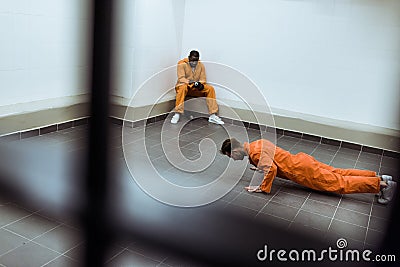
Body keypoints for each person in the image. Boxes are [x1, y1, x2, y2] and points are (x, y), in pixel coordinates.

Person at [220, 138, 397, 205]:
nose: (233, 159)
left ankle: (382, 185)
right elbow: (270, 158)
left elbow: (271, 168)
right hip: (303, 160)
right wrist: (260, 167)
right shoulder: (256, 144)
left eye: (230, 157)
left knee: (339, 184)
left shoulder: (256, 154)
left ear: (234, 151)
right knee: (339, 172)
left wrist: (261, 187)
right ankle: (378, 176)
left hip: (302, 171)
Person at [171, 50, 224, 125]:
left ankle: (213, 115)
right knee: (183, 87)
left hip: (194, 88)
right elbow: (181, 78)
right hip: (184, 87)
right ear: (189, 57)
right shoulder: (181, 64)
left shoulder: (200, 65)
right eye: (192, 60)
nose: (194, 62)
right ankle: (177, 113)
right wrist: (191, 83)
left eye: (196, 60)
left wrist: (200, 85)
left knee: (210, 88)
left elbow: (203, 79)